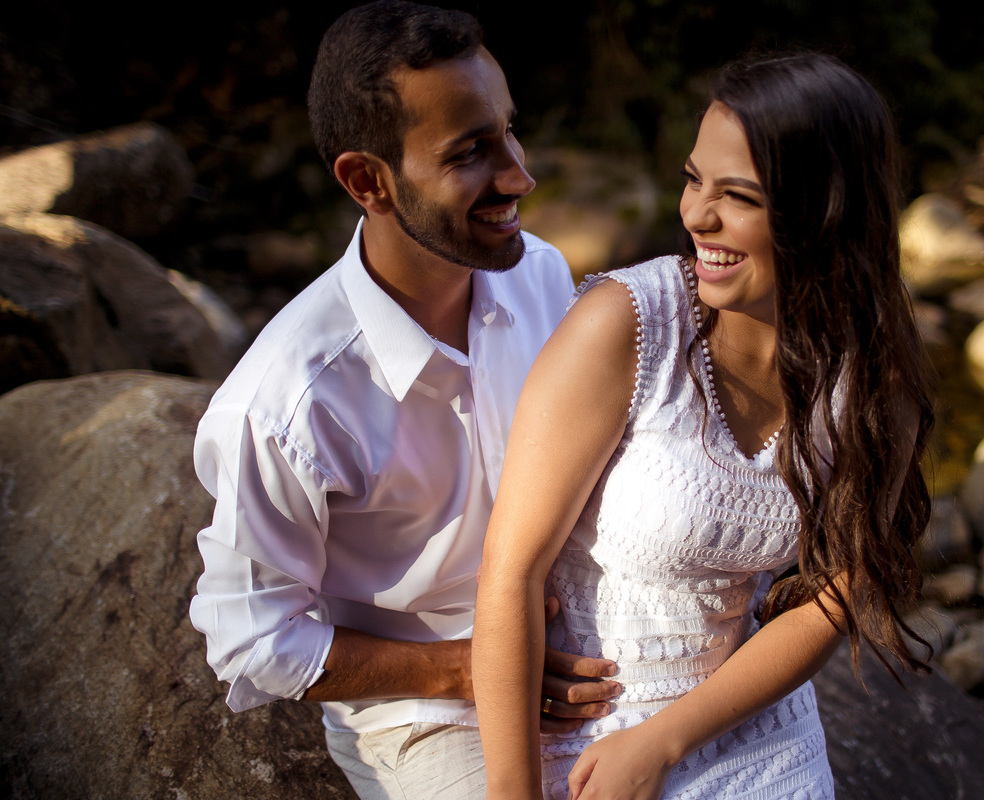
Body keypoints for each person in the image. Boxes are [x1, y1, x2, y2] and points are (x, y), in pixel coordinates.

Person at [473, 51, 935, 800]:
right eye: (694, 180)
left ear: (825, 210)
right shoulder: (625, 326)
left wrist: (665, 740)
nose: (696, 215)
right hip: (582, 725)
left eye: (739, 196)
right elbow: (511, 572)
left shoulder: (876, 377)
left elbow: (837, 591)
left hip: (744, 718)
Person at [188, 3, 619, 798]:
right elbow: (249, 639)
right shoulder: (286, 405)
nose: (521, 176)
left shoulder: (542, 276)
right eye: (472, 153)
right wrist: (471, 665)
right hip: (426, 713)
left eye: (510, 132)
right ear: (367, 181)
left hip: (594, 640)